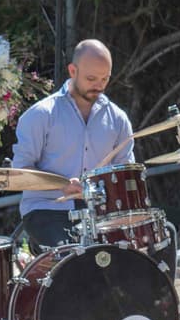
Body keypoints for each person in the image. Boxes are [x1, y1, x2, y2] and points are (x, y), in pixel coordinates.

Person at [11, 39, 134, 253]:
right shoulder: (41, 115)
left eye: (105, 79)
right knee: (75, 260)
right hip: (47, 209)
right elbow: (20, 172)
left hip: (98, 214)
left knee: (161, 235)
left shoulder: (118, 119)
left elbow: (125, 175)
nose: (98, 85)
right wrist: (60, 184)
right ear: (72, 70)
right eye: (91, 78)